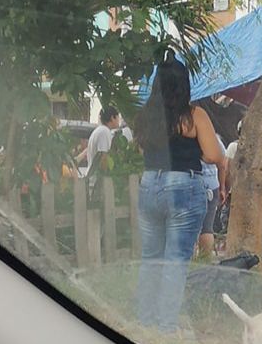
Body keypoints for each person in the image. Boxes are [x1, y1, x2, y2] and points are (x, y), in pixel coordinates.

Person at [133, 55, 224, 334]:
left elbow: (140, 150)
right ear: (184, 85)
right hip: (183, 186)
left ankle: (144, 320)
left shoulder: (146, 115)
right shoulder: (194, 115)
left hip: (150, 183)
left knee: (151, 258)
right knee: (175, 260)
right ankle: (166, 326)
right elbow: (213, 154)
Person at [197, 133, 228, 258]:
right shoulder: (215, 140)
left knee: (190, 225)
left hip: (194, 183)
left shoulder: (188, 138)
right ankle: (205, 259)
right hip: (212, 185)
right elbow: (222, 165)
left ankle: (191, 259)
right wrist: (222, 188)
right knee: (207, 227)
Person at [77, 104, 121, 178]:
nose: (119, 120)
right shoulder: (104, 132)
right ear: (112, 118)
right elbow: (103, 156)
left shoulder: (100, 130)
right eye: (118, 117)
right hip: (97, 179)